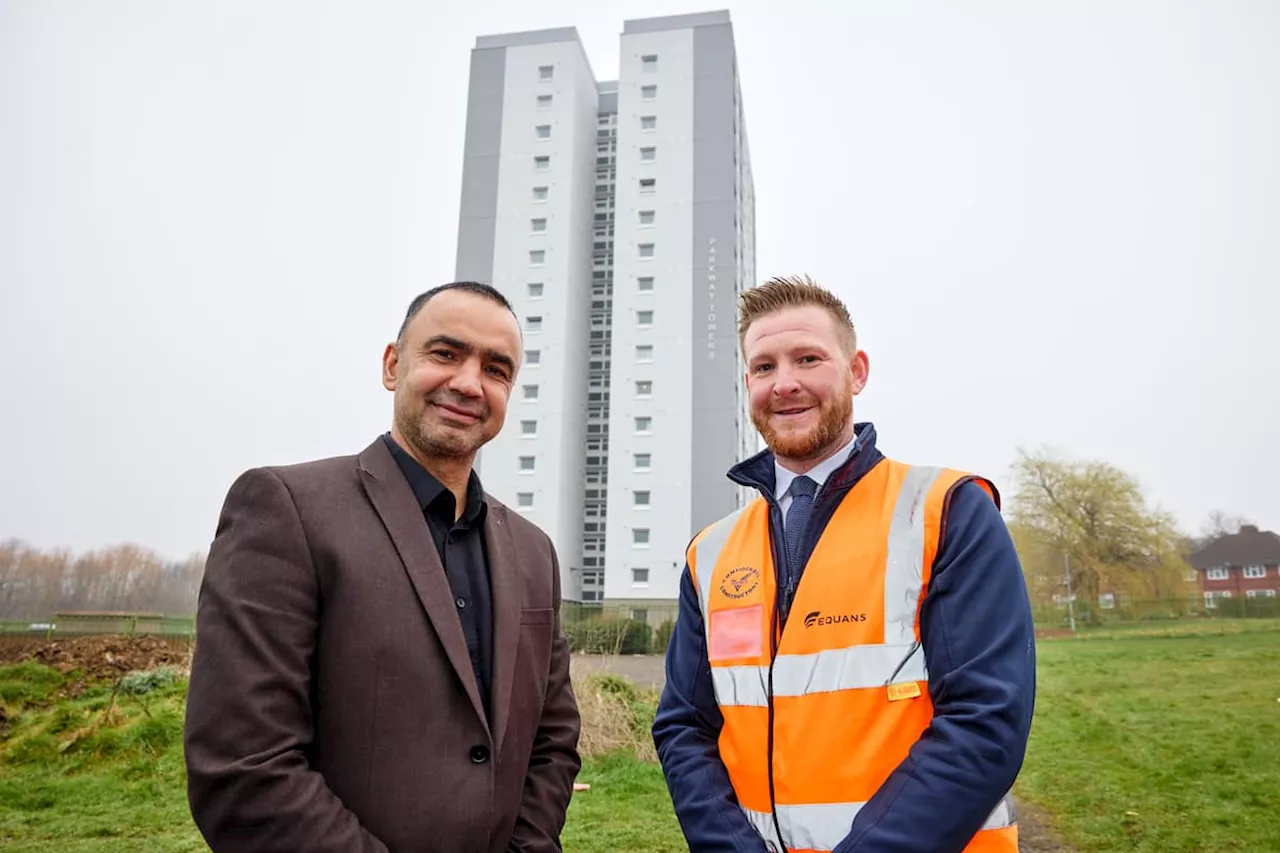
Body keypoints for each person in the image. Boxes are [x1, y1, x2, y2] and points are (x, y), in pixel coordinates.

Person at [184, 282, 581, 853]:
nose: (470, 383)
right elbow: (244, 767)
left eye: (496, 369)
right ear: (393, 365)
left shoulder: (533, 551)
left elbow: (553, 738)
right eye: (446, 354)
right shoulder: (286, 508)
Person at [653, 275, 1036, 853]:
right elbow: (685, 727)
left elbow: (984, 720)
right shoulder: (710, 553)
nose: (785, 384)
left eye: (808, 358)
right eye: (763, 367)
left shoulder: (946, 511)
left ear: (856, 371)